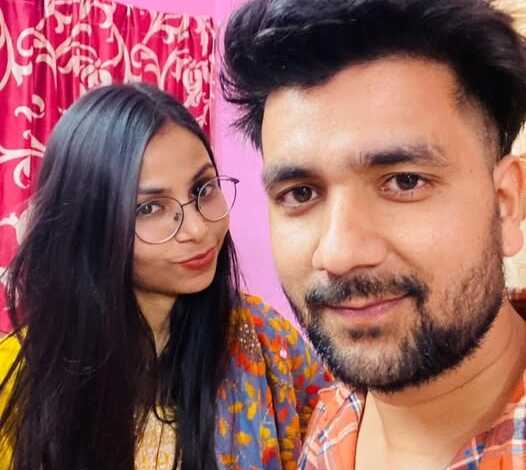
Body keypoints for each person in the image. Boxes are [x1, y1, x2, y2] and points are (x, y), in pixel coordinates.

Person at [221, 0, 526, 468]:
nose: (339, 253)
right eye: (301, 193)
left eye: (404, 182)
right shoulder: (333, 413)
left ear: (505, 204)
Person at [0, 83, 331, 470]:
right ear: (91, 224)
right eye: (150, 208)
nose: (197, 229)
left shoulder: (267, 341)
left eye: (204, 188)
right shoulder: (20, 377)